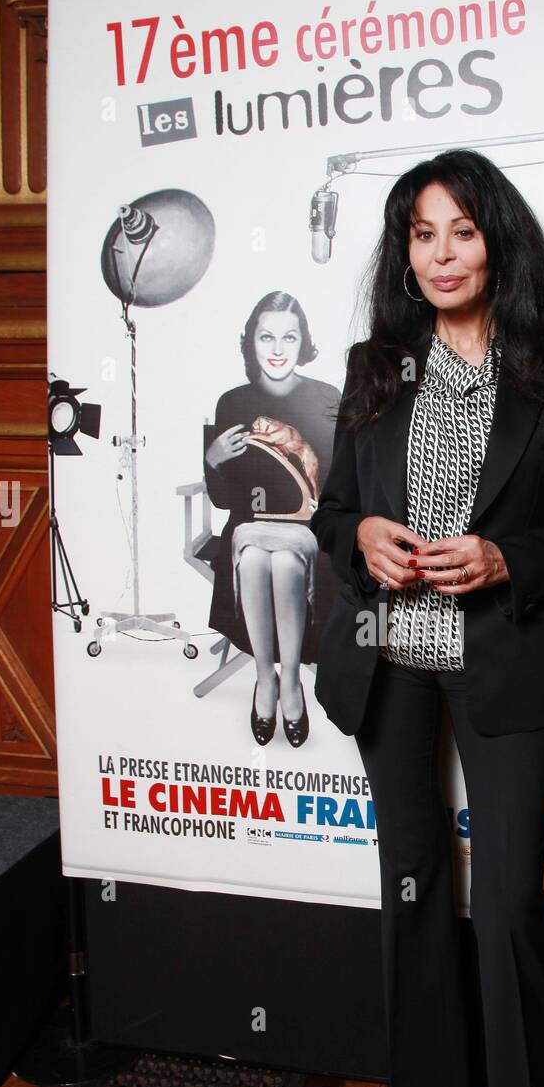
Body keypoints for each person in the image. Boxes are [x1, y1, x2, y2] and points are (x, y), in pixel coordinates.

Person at [309, 149, 544, 1087]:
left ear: (498, 240)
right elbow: (332, 509)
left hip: (503, 657)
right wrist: (356, 536)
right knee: (412, 889)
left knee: (506, 915)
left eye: (460, 232)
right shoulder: (374, 366)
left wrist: (504, 556)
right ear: (404, 251)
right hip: (388, 658)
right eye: (419, 234)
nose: (440, 255)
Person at [205, 292, 340, 747]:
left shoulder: (326, 397)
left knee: (282, 561)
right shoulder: (232, 402)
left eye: (289, 336)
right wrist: (213, 461)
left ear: (303, 342)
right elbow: (225, 502)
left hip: (307, 532)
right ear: (253, 343)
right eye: (267, 336)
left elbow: (337, 490)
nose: (278, 348)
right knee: (258, 559)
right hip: (248, 530)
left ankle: (287, 682)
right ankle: (271, 678)